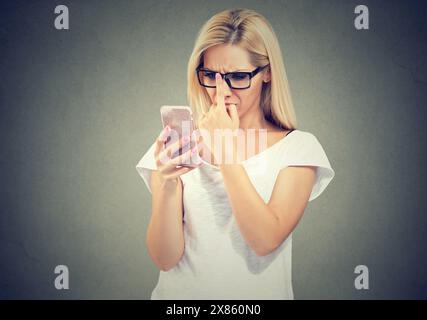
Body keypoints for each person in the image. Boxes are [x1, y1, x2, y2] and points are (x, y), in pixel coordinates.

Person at [135, 8, 335, 300]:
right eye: (210, 75)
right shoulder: (180, 143)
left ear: (267, 72)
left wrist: (225, 150)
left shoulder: (298, 148)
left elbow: (265, 239)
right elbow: (165, 259)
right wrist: (166, 185)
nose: (221, 91)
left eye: (238, 76)